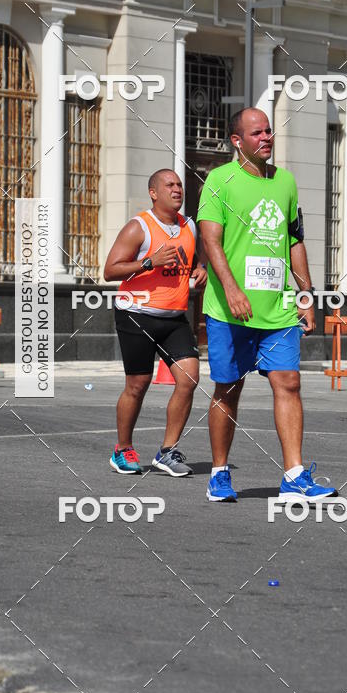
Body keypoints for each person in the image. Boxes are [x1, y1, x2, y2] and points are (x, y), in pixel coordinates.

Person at [197, 107, 337, 502]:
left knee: (289, 383)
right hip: (229, 309)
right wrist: (232, 290)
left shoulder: (286, 183)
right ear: (236, 141)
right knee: (228, 387)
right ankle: (220, 472)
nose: (267, 138)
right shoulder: (219, 181)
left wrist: (306, 294)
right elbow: (211, 241)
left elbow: (294, 241)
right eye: (257, 133)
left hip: (277, 308)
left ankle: (294, 475)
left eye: (269, 131)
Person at [104, 169, 207, 476]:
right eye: (170, 185)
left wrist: (201, 269)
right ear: (154, 193)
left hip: (174, 316)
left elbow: (196, 259)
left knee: (189, 379)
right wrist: (150, 261)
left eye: (179, 185)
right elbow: (110, 270)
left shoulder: (189, 225)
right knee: (138, 385)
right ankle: (122, 450)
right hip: (136, 314)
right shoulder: (140, 227)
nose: (177, 189)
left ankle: (167, 452)